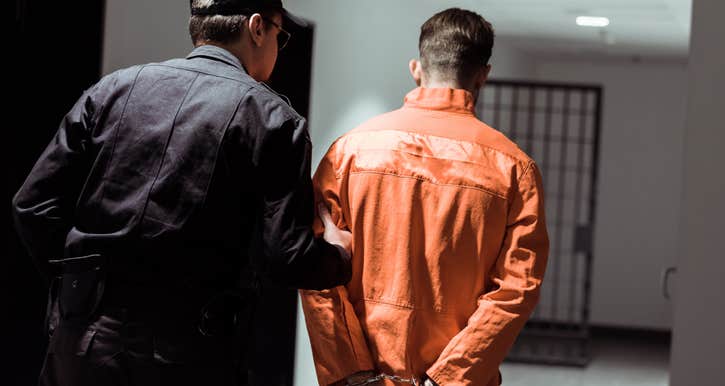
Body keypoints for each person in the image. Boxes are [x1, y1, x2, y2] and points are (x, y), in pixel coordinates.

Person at [11, 0, 352, 385]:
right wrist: (339, 256)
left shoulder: (113, 88)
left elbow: (32, 206)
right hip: (191, 353)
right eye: (280, 34)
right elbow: (286, 258)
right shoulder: (274, 120)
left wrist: (81, 286)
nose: (279, 46)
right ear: (257, 27)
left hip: (83, 343)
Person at [300, 8, 550, 386]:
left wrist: (350, 370)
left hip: (361, 375)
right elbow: (517, 289)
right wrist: (447, 378)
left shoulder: (349, 153)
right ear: (484, 74)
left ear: (416, 68)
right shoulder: (514, 170)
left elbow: (316, 268)